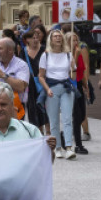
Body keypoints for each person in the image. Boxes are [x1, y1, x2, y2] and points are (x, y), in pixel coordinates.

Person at [40, 29, 77, 159]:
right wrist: (47, 89)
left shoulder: (68, 55)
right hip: (52, 88)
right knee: (54, 120)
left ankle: (68, 147)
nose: (57, 38)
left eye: (59, 36)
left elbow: (74, 73)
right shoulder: (46, 55)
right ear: (50, 39)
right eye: (55, 36)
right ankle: (57, 147)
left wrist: (74, 67)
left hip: (66, 87)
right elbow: (41, 76)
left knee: (67, 118)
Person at [68, 33, 90, 154]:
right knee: (77, 116)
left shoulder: (79, 52)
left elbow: (82, 70)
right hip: (71, 86)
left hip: (79, 86)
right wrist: (75, 56)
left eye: (76, 40)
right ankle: (78, 144)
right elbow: (71, 71)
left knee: (82, 115)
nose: (75, 42)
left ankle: (66, 133)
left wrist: (86, 85)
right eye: (72, 40)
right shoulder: (67, 55)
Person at [0, 38, 31, 109]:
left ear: (10, 50)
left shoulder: (21, 65)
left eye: (0, 49)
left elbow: (21, 87)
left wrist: (3, 75)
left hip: (16, 105)